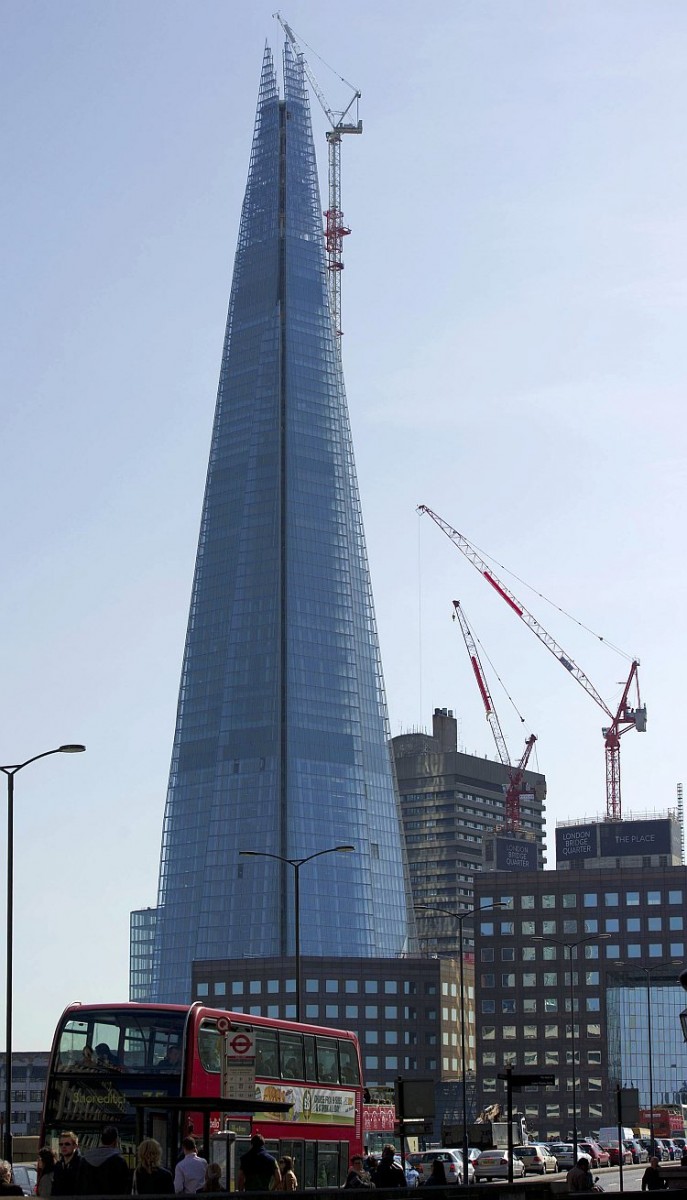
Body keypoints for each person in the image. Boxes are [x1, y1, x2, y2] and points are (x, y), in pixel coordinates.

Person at [80, 1125, 132, 1195]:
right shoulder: (119, 1161)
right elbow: (125, 1187)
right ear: (115, 1141)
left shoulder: (85, 1159)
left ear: (101, 1140)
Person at [52, 1132, 84, 1196]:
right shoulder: (58, 1165)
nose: (63, 1146)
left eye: (67, 1144)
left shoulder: (83, 1164)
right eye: (61, 1144)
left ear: (75, 1146)